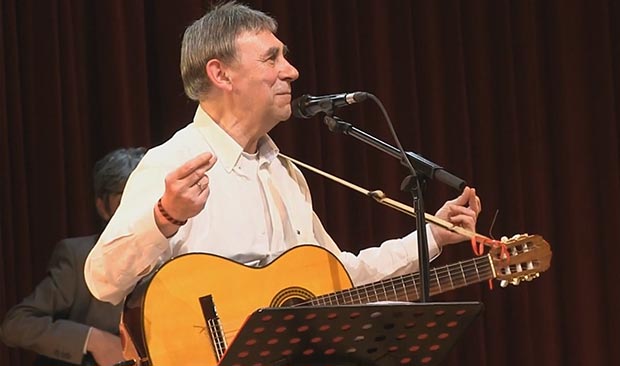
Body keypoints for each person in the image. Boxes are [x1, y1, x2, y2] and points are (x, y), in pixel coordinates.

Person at [84, 1, 481, 308]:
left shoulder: (286, 175)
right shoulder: (173, 162)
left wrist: (431, 236)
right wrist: (165, 216)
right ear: (221, 75)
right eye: (271, 58)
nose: (291, 71)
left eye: (284, 57)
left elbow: (339, 276)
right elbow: (102, 281)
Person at [1, 147, 146, 366]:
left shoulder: (180, 251)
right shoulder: (79, 256)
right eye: (125, 197)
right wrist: (94, 339)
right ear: (103, 207)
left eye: (145, 196)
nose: (137, 207)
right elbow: (17, 324)